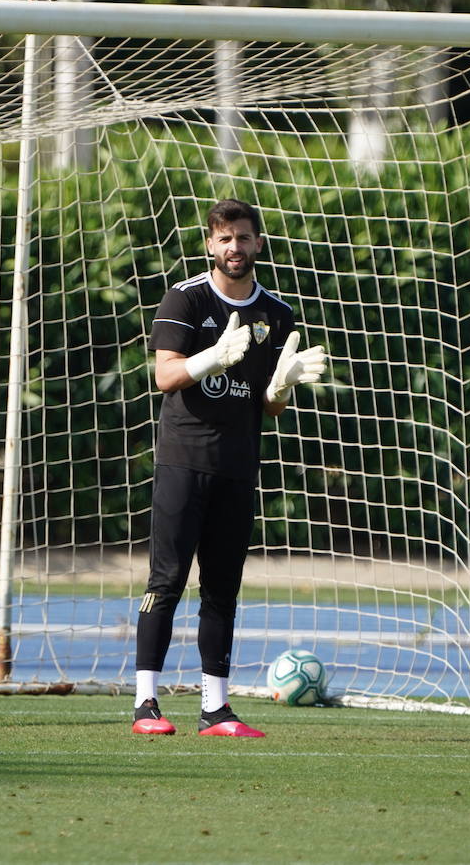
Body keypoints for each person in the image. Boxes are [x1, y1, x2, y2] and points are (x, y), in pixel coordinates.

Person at [132, 198, 327, 737]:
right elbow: (165, 376)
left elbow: (270, 405)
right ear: (209, 244)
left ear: (258, 243)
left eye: (242, 237)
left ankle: (215, 710)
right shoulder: (186, 297)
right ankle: (146, 704)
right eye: (224, 238)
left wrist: (281, 385)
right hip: (183, 461)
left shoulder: (278, 314)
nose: (233, 247)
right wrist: (211, 358)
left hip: (238, 465)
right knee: (167, 580)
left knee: (223, 588)